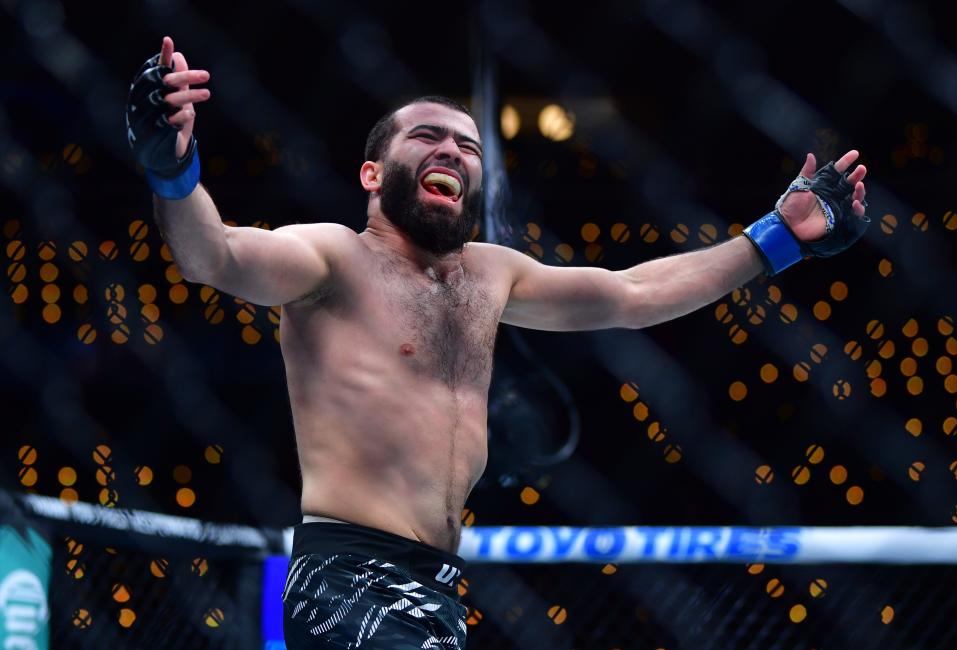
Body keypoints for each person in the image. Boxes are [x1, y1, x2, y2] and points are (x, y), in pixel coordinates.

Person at [125, 36, 869, 649]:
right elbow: (214, 256)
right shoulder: (334, 260)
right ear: (373, 173)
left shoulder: (493, 275)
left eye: (468, 145)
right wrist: (171, 166)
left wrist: (775, 241)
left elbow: (636, 295)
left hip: (436, 584)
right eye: (428, 138)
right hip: (348, 577)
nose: (452, 150)